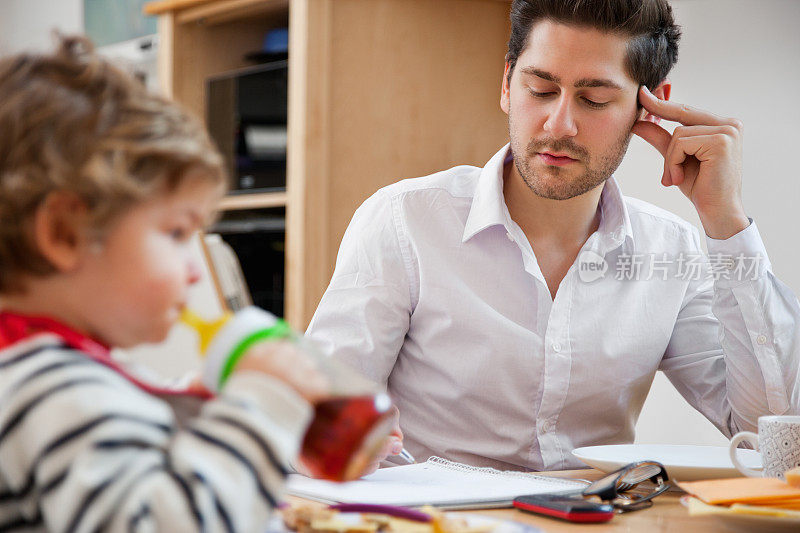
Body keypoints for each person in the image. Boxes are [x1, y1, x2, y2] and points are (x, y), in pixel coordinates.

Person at [307, 0, 800, 471]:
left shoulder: (671, 251)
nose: (559, 124)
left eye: (594, 99)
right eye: (540, 90)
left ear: (650, 106)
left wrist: (726, 222)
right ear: (506, 83)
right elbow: (310, 429)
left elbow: (773, 437)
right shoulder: (404, 222)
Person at [0, 36, 331, 530]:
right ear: (65, 233)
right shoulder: (56, 388)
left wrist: (183, 405)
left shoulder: (37, 373)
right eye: (176, 233)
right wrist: (262, 403)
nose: (195, 268)